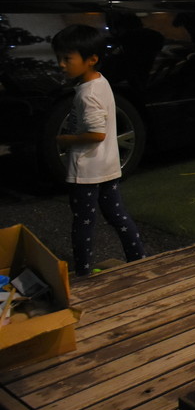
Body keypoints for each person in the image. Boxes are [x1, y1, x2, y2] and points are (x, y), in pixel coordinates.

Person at [52, 24, 146, 276]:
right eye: (59, 58)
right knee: (117, 215)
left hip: (86, 171)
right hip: (106, 166)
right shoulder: (100, 82)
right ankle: (139, 259)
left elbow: (96, 134)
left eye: (67, 59)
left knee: (83, 223)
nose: (61, 64)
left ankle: (83, 272)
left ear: (91, 59)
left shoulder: (87, 94)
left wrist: (67, 140)